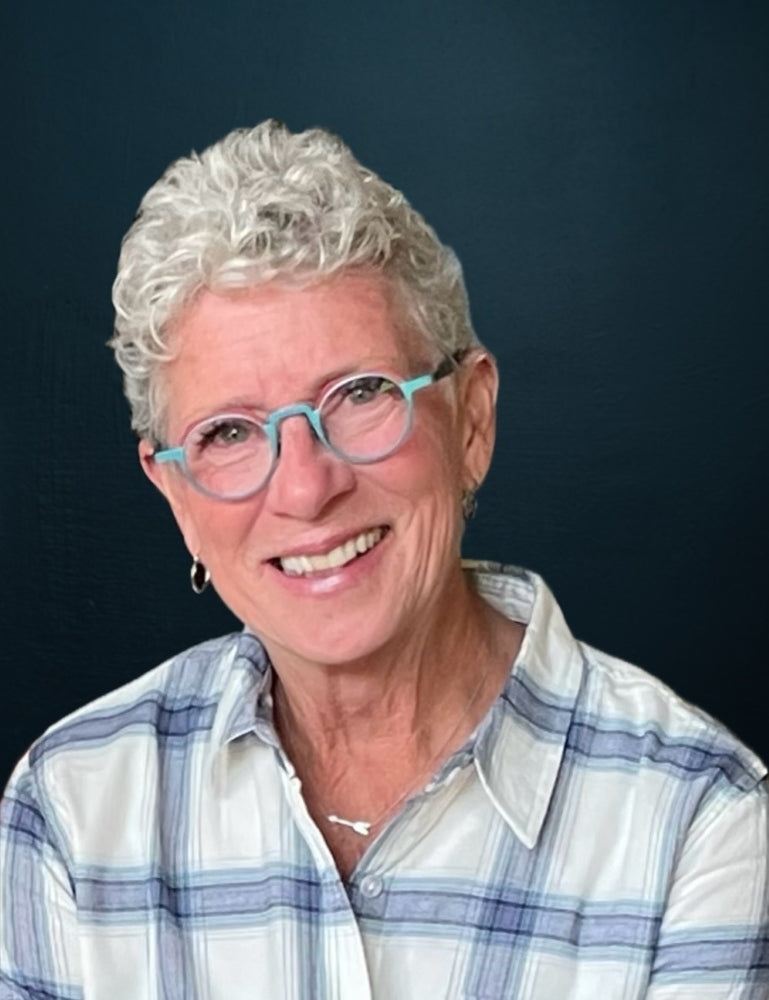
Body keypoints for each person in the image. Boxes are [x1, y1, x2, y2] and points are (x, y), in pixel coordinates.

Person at [0, 120, 766, 1000]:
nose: (304, 489)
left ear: (469, 420)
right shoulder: (69, 808)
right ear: (173, 492)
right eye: (228, 433)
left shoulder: (700, 822)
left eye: (358, 395)